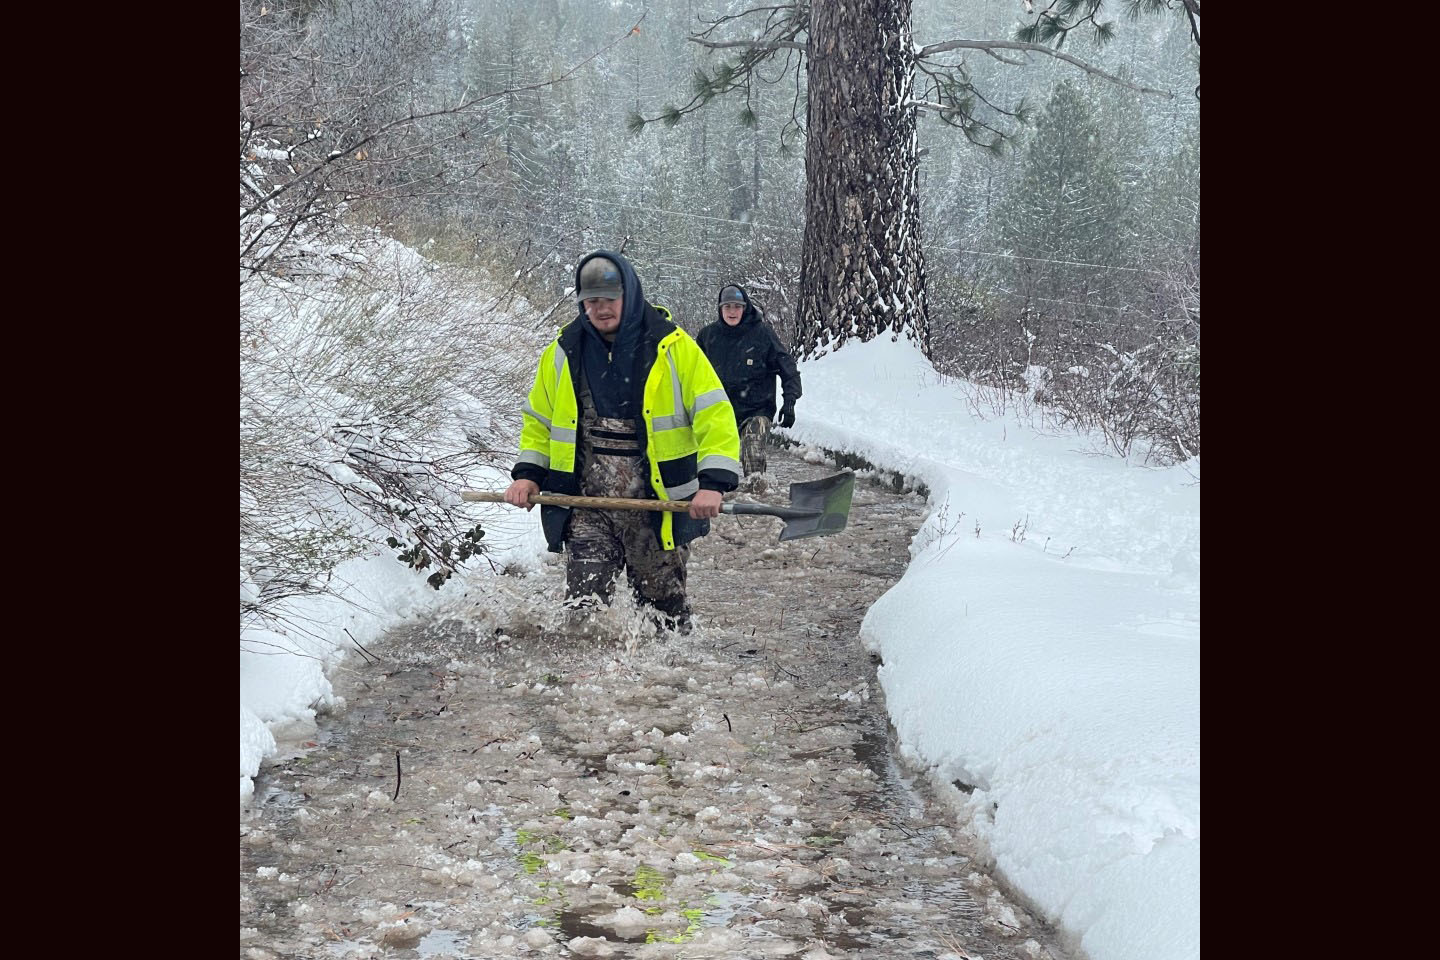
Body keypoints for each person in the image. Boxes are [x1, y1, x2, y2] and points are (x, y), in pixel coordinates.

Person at [504, 251, 742, 633]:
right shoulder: (563, 352)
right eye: (591, 301)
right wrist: (529, 474)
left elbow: (715, 416)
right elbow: (539, 421)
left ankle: (663, 686)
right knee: (583, 611)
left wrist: (712, 484)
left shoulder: (674, 348)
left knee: (664, 618)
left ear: (629, 294)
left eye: (609, 299)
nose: (600, 309)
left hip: (658, 506)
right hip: (587, 505)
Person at [695, 284, 802, 484]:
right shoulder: (708, 336)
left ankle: (758, 496)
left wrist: (790, 401)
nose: (732, 312)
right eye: (727, 307)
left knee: (752, 453)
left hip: (756, 409)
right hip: (720, 411)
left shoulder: (762, 334)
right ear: (720, 309)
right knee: (711, 465)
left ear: (745, 308)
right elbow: (691, 375)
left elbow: (788, 368)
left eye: (737, 306)